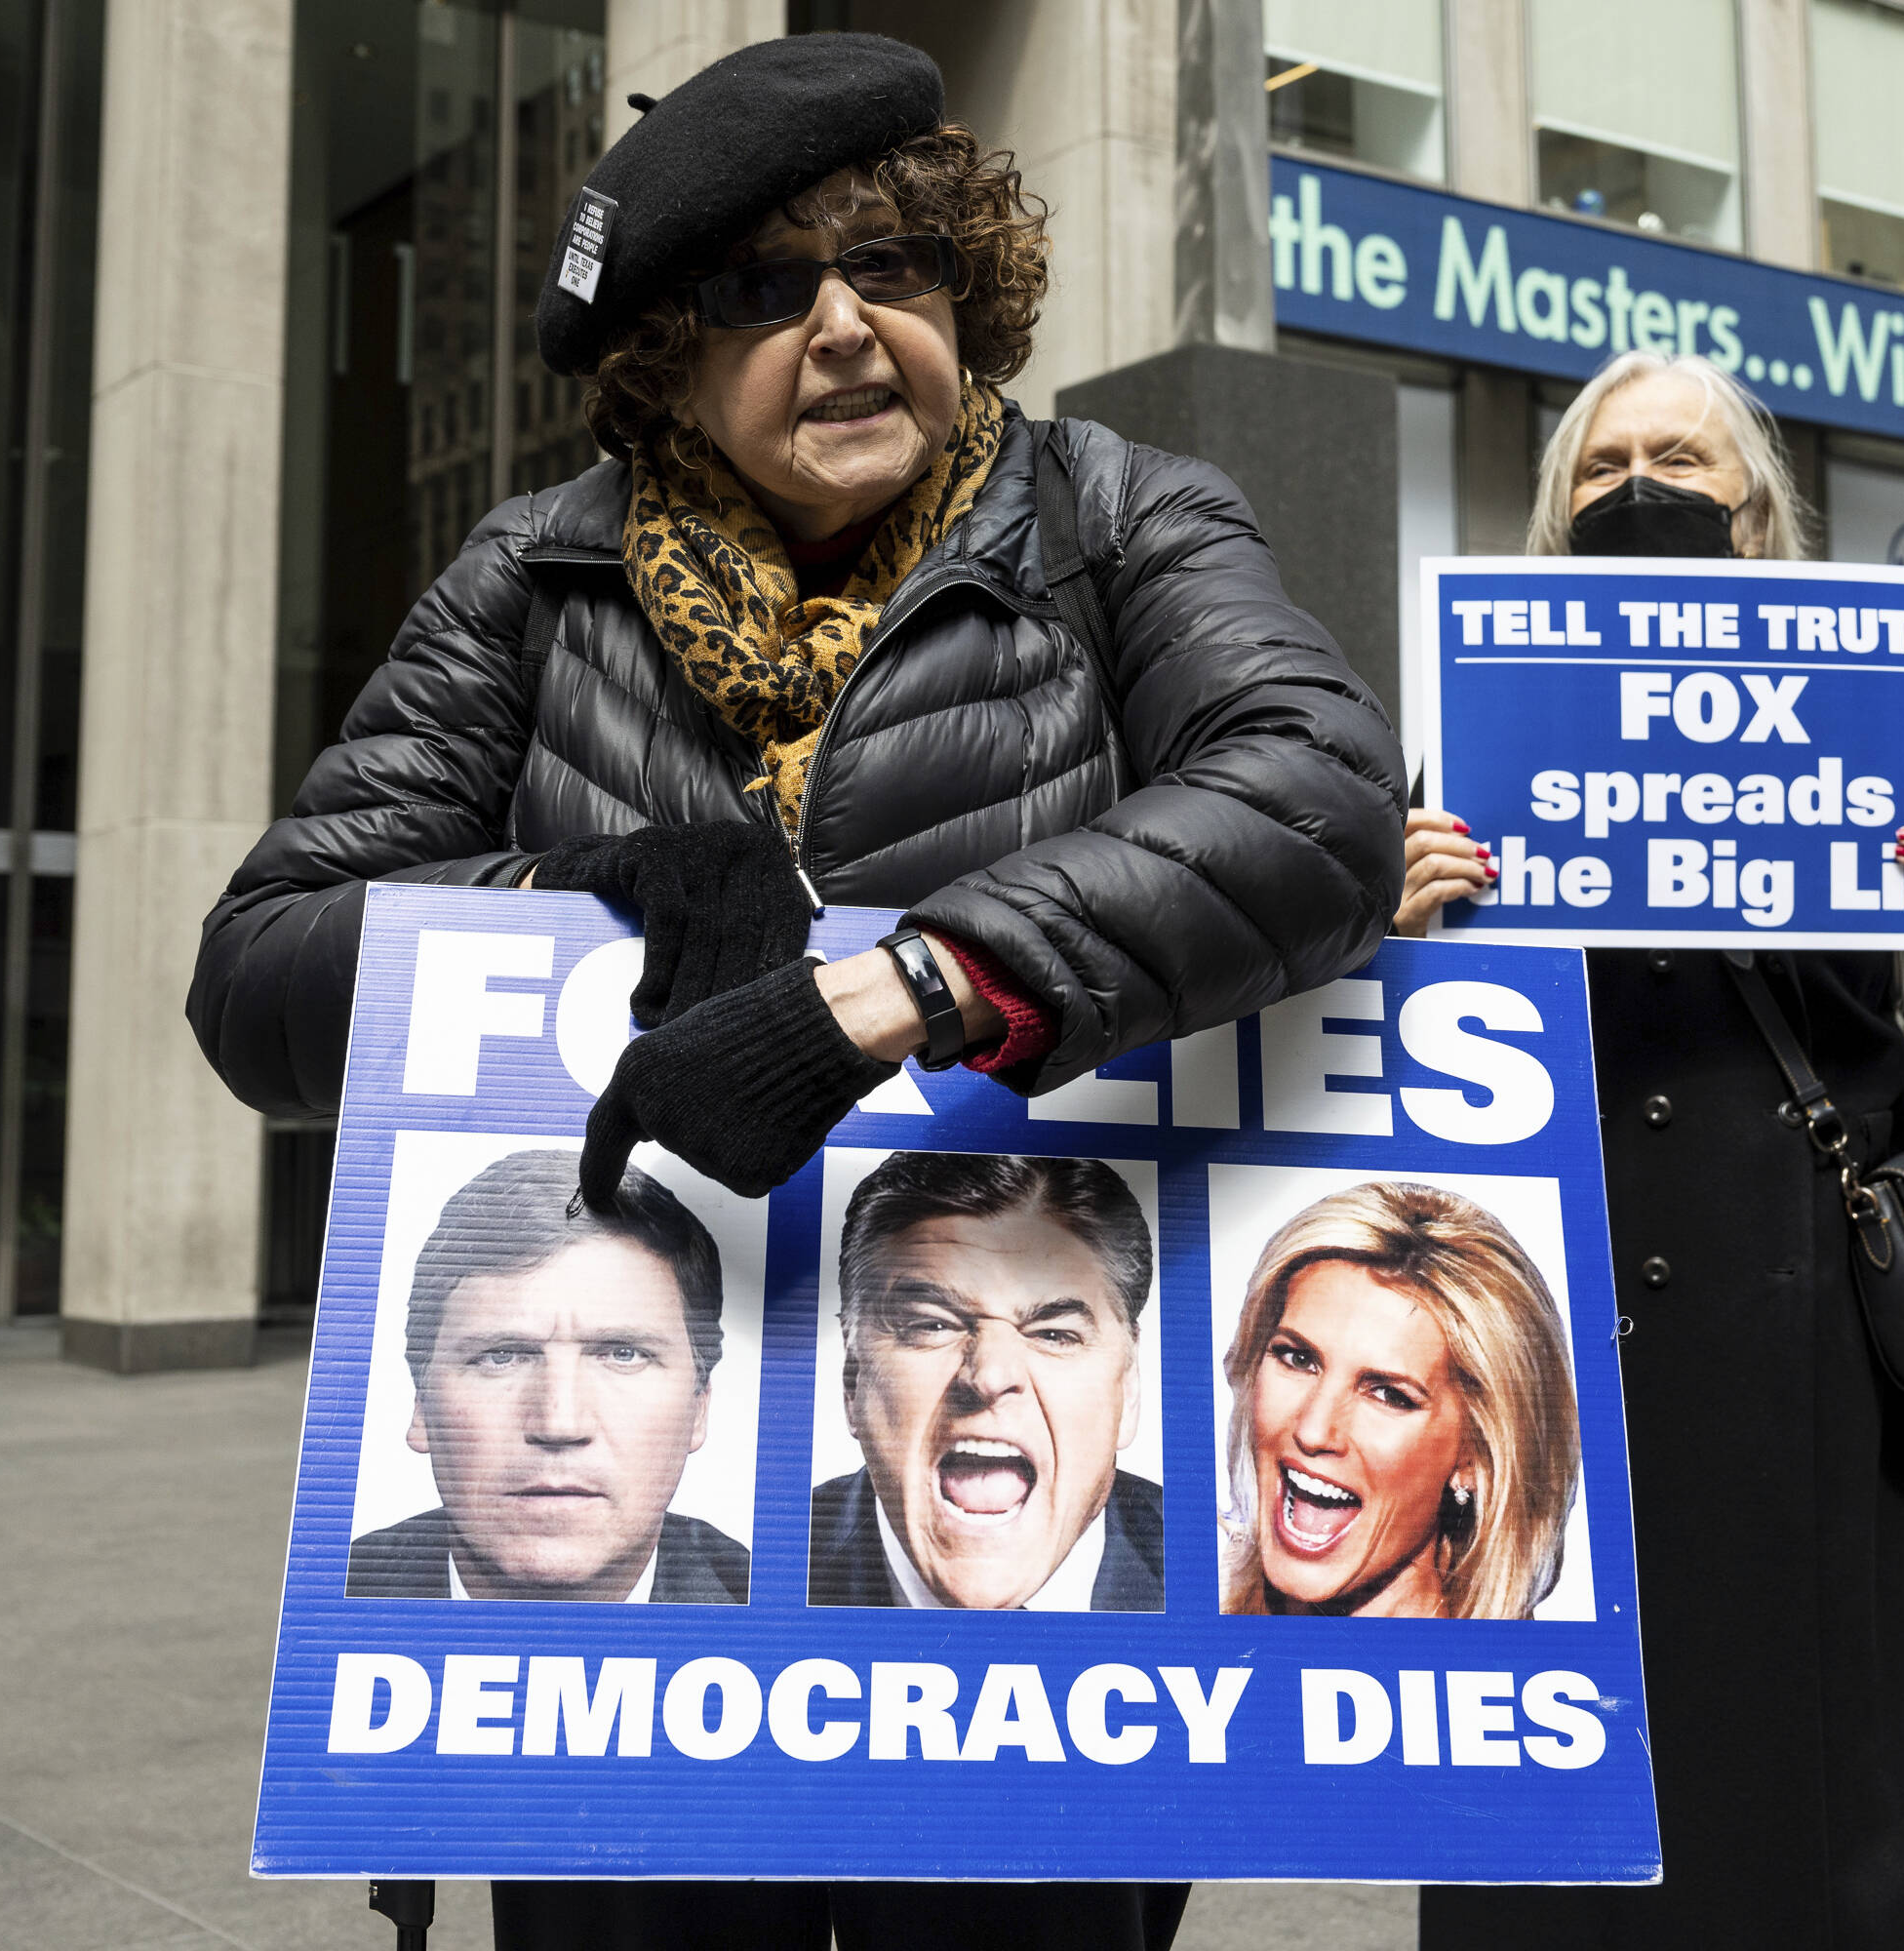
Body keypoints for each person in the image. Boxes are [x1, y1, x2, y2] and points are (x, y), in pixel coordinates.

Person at [188, 33, 1395, 1951]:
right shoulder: (531, 579)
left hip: (1002, 1630)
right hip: (639, 1630)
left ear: (964, 295)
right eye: (768, 291)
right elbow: (258, 972)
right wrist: (576, 890)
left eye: (893, 270)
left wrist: (914, 981)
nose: (846, 330)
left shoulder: (1118, 518)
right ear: (668, 350)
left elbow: (1316, 799)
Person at [1406, 348, 1904, 1947]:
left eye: (1679, 459)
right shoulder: (1478, 730)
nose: (1639, 486)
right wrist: (1396, 927)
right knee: (1581, 1749)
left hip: (1810, 1317)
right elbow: (1397, 1058)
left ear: (1756, 517)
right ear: (1551, 512)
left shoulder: (1870, 715)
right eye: (1601, 467)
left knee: (1854, 1756)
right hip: (1560, 1322)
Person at [346, 1149, 748, 1605]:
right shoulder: (327, 1598)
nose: (559, 1424)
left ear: (699, 1409)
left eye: (623, 1353)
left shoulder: (779, 1611)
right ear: (420, 1405)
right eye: (501, 1357)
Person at [811, 1151, 1162, 1612]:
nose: (990, 1377)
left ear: (1129, 1388)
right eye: (932, 1325)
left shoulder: (1229, 1578)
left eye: (1054, 1334)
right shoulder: (754, 1569)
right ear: (853, 1378)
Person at [1216, 1180, 1579, 1620]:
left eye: (1389, 1395)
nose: (1312, 1430)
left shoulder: (1512, 1683)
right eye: (1298, 1358)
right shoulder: (1178, 1633)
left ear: (1476, 1457)